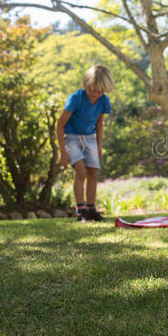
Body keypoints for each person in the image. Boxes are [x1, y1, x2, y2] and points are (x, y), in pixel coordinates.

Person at [56, 65, 114, 222]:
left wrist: (99, 145)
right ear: (85, 85)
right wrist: (63, 151)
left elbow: (99, 124)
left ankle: (91, 208)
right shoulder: (76, 98)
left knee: (93, 172)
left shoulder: (104, 101)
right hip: (72, 136)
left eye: (100, 91)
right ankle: (80, 210)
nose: (95, 94)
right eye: (92, 90)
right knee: (81, 172)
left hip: (89, 138)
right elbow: (60, 125)